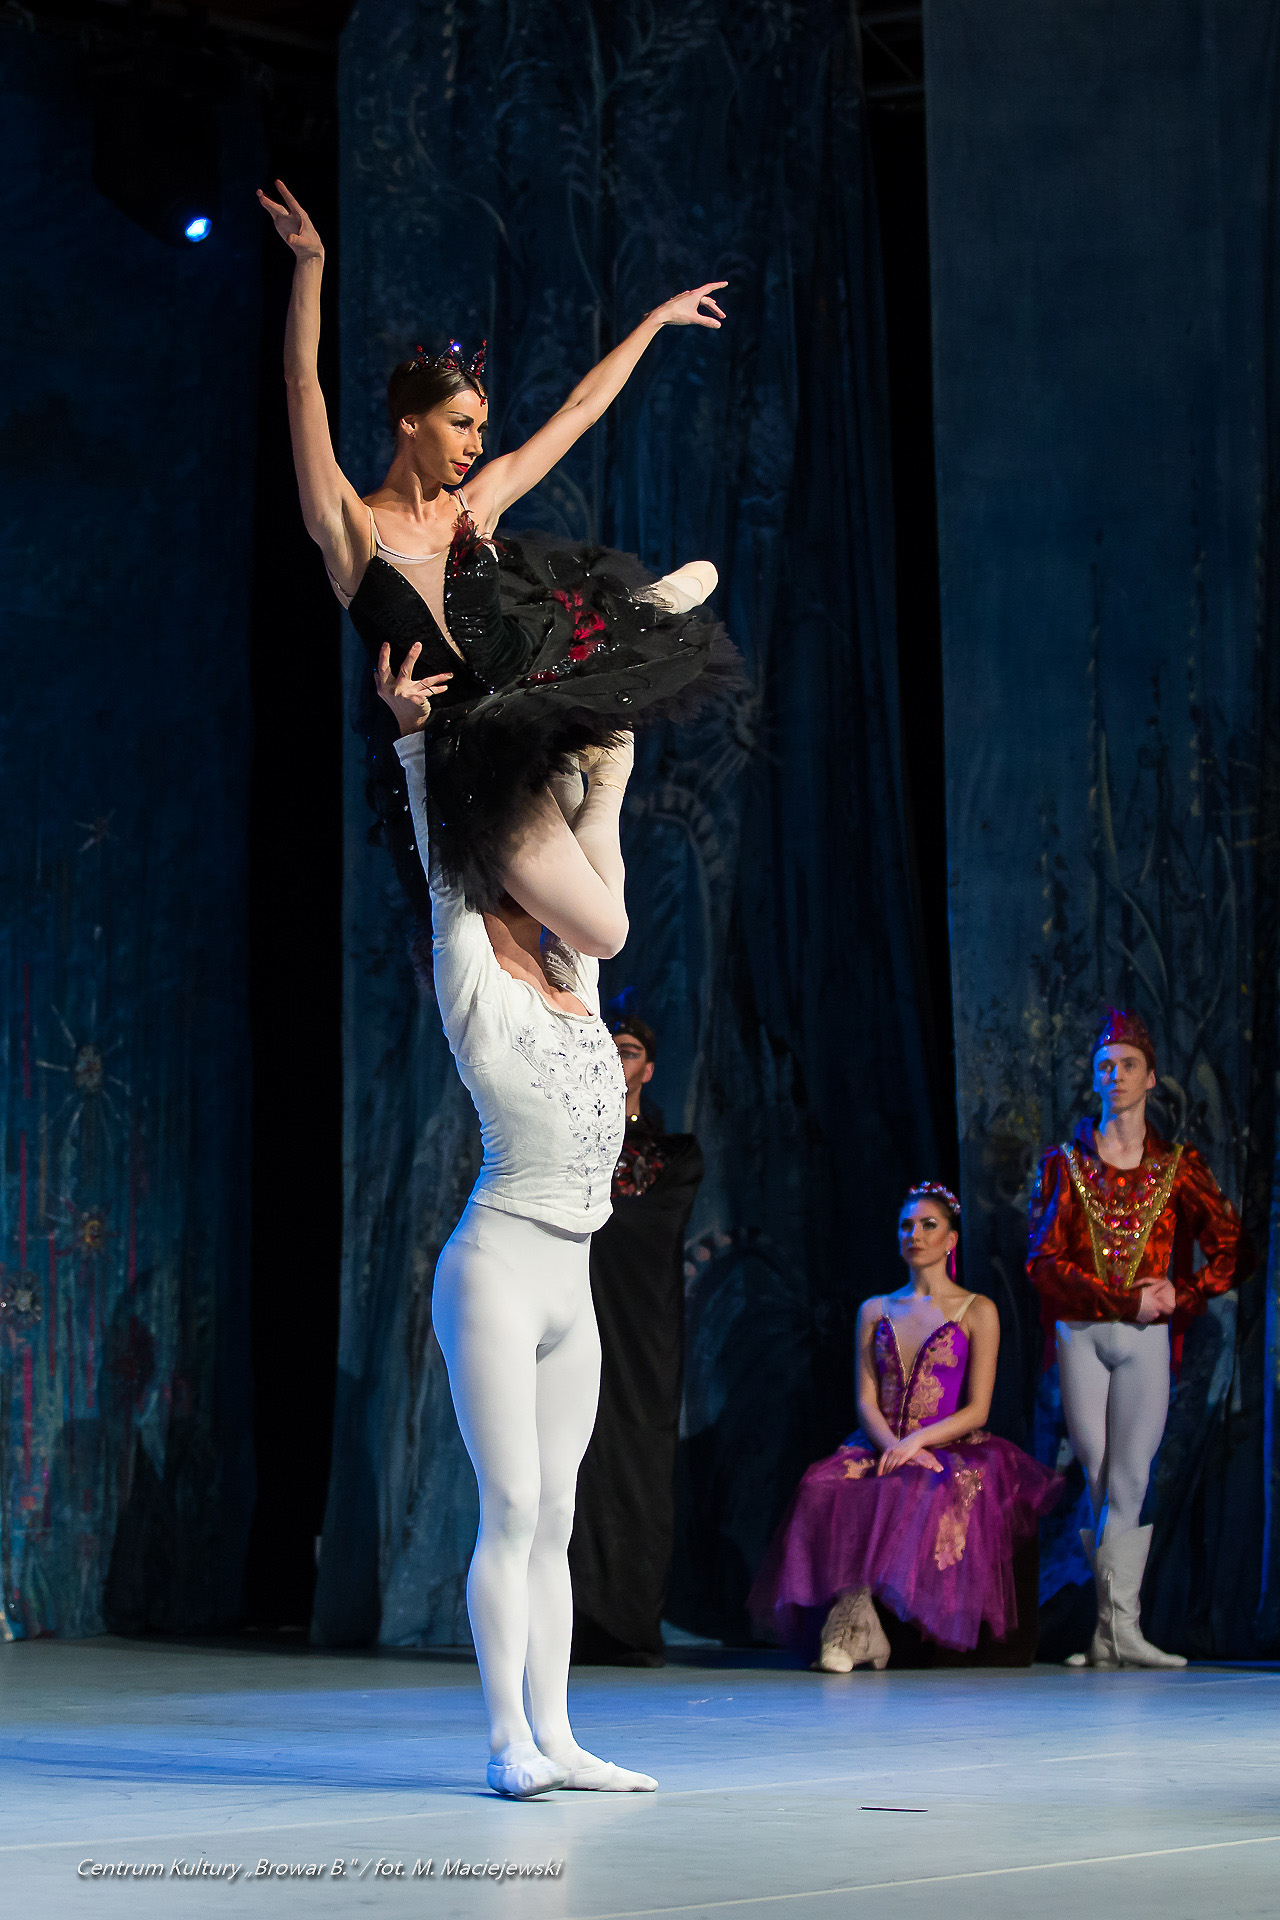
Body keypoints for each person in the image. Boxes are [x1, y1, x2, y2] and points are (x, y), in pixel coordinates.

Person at [258, 179, 737, 928]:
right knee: (606, 930)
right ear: (409, 423)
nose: (475, 446)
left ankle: (639, 619)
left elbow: (579, 411)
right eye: (460, 425)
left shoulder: (473, 506)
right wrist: (310, 266)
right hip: (473, 754)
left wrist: (654, 321)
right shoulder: (351, 530)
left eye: (480, 429)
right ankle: (607, 770)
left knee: (593, 615)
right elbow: (301, 387)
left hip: (533, 681)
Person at [375, 643, 656, 1797]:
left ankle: (560, 1736)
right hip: (494, 1267)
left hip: (570, 1281)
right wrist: (413, 742)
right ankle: (506, 1745)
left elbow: (603, 878)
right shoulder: (472, 981)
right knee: (511, 1504)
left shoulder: (572, 977)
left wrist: (612, 763)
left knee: (558, 1517)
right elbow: (440, 866)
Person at [750, 1185, 1061, 1668]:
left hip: (947, 1442)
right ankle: (857, 1623)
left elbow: (978, 1409)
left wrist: (916, 1443)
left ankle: (861, 1630)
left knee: (918, 1486)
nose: (915, 1234)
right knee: (822, 1484)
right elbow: (865, 1399)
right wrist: (892, 1445)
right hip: (882, 1440)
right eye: (906, 1225)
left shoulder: (977, 1309)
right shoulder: (875, 1310)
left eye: (928, 1225)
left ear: (951, 1240)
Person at [1027, 1008, 1253, 1669]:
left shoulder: (1179, 1167)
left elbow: (1232, 1246)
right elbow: (1043, 1262)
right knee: (1099, 1478)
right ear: (1093, 1078)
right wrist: (1125, 1297)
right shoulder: (1065, 1163)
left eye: (1128, 1065)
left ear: (1150, 1078)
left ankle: (1116, 1631)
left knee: (1128, 1479)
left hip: (1145, 1341)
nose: (1116, 1075)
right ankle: (1111, 1634)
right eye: (1106, 1066)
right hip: (1082, 1335)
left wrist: (1186, 1293)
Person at [570, 1017, 704, 1665]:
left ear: (647, 1069)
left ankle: (627, 1621)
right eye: (605, 1048)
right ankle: (567, 1622)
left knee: (638, 1458)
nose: (614, 1059)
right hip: (575, 1307)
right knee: (572, 1457)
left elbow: (646, 1225)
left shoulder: (673, 1154)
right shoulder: (568, 1138)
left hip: (643, 1327)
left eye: (627, 1051)